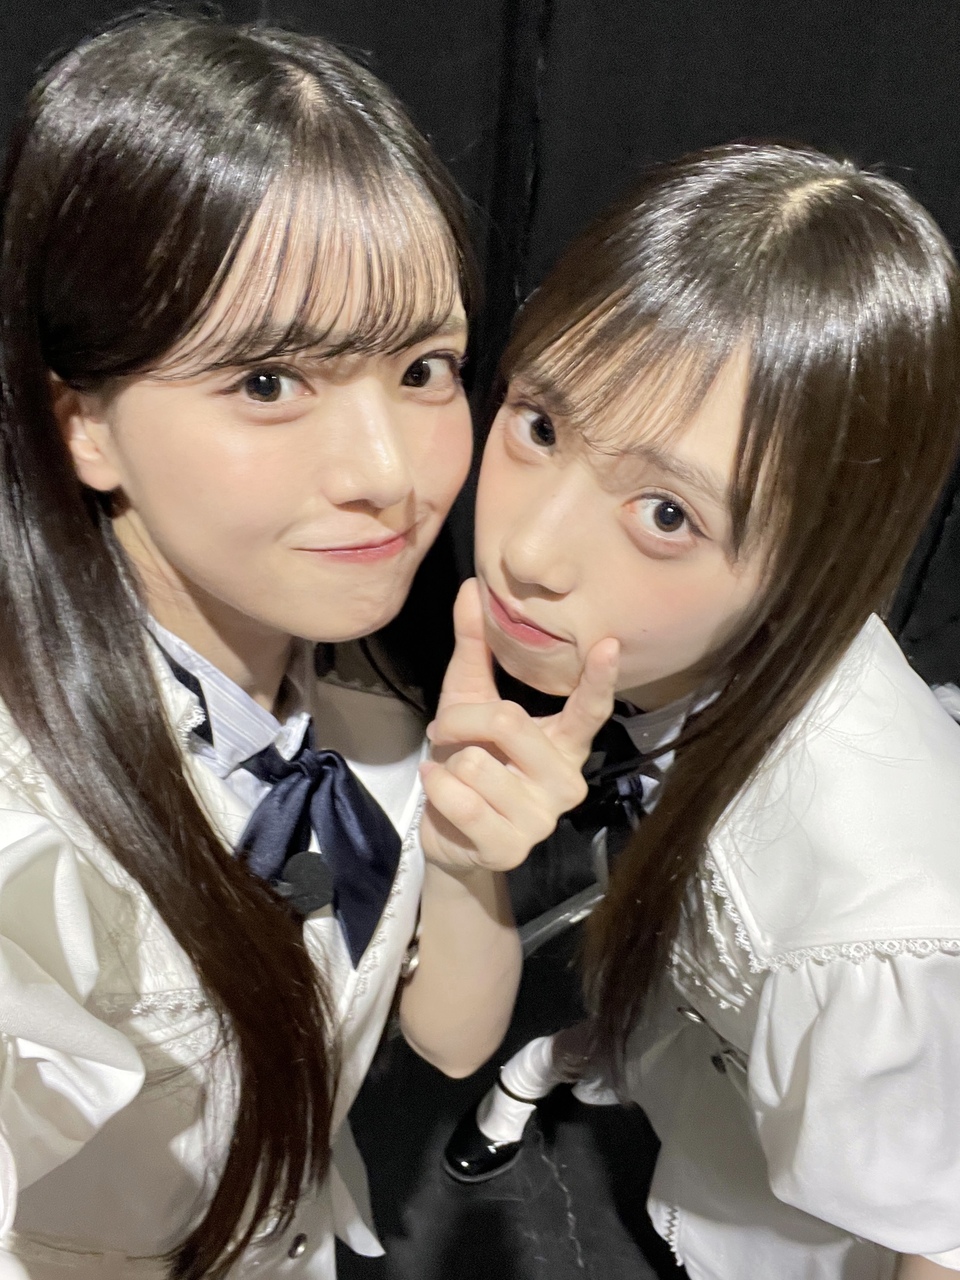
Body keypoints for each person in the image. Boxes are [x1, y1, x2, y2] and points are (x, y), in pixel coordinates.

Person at [0, 14, 618, 1279]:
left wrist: (465, 858)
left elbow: (451, 1042)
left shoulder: (358, 667)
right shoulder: (26, 838)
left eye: (424, 367)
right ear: (84, 424)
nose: (391, 472)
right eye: (270, 381)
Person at [442, 143, 960, 1280]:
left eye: (667, 513)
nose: (529, 552)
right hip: (678, 1032)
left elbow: (937, 1223)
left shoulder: (870, 933)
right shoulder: (677, 659)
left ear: (818, 562)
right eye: (540, 425)